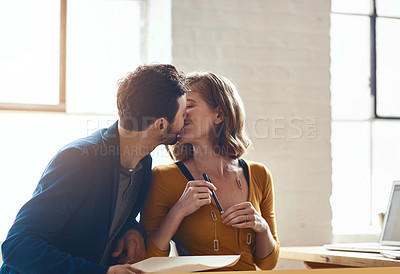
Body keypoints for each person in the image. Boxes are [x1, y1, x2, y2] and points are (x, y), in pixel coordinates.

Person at [0, 64, 189, 274]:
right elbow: (17, 247)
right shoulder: (79, 160)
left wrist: (130, 227)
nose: (186, 120)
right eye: (183, 115)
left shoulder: (144, 163)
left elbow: (104, 216)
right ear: (161, 125)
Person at [141, 72, 279, 270]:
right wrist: (178, 211)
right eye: (177, 107)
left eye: (188, 105)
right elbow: (148, 259)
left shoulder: (259, 174)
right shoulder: (162, 178)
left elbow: (268, 264)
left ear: (219, 115)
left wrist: (262, 226)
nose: (180, 114)